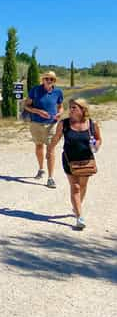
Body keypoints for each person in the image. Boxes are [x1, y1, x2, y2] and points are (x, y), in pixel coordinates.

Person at [47, 98, 102, 230]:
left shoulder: (92, 124)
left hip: (86, 160)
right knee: (75, 187)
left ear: (82, 110)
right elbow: (56, 137)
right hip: (69, 160)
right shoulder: (64, 123)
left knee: (83, 186)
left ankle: (76, 206)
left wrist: (96, 146)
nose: (70, 110)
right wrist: (50, 150)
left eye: (74, 108)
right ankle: (79, 216)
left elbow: (99, 139)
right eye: (70, 107)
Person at [23, 70, 64, 188]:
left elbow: (61, 107)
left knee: (51, 149)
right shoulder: (35, 90)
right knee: (39, 146)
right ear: (43, 80)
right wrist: (38, 111)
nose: (49, 81)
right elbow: (26, 105)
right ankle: (41, 169)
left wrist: (59, 114)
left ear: (54, 81)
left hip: (52, 124)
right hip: (36, 123)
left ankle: (50, 178)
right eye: (47, 78)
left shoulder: (58, 92)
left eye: (51, 79)